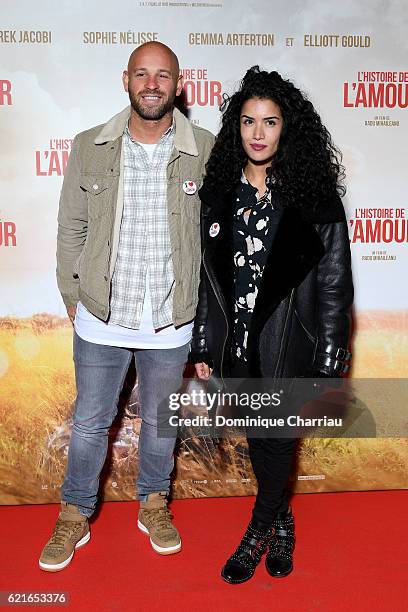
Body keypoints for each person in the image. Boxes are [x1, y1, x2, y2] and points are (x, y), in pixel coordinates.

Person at [39, 41, 214, 572]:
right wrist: (74, 298)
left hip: (170, 318)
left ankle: (154, 504)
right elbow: (72, 228)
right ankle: (73, 515)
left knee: (161, 423)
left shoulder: (204, 148)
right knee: (91, 422)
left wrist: (206, 321)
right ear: (126, 80)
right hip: (101, 316)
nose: (152, 84)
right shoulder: (90, 146)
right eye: (143, 74)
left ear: (178, 85)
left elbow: (214, 242)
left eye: (163, 75)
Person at [190, 66, 353, 584]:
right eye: (247, 122)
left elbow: (334, 285)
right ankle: (283, 519)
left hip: (290, 347)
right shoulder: (217, 195)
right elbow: (204, 280)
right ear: (236, 128)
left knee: (277, 440)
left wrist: (330, 358)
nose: (258, 133)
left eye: (270, 122)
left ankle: (257, 533)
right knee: (261, 443)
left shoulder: (315, 198)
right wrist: (201, 342)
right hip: (236, 345)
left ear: (288, 128)